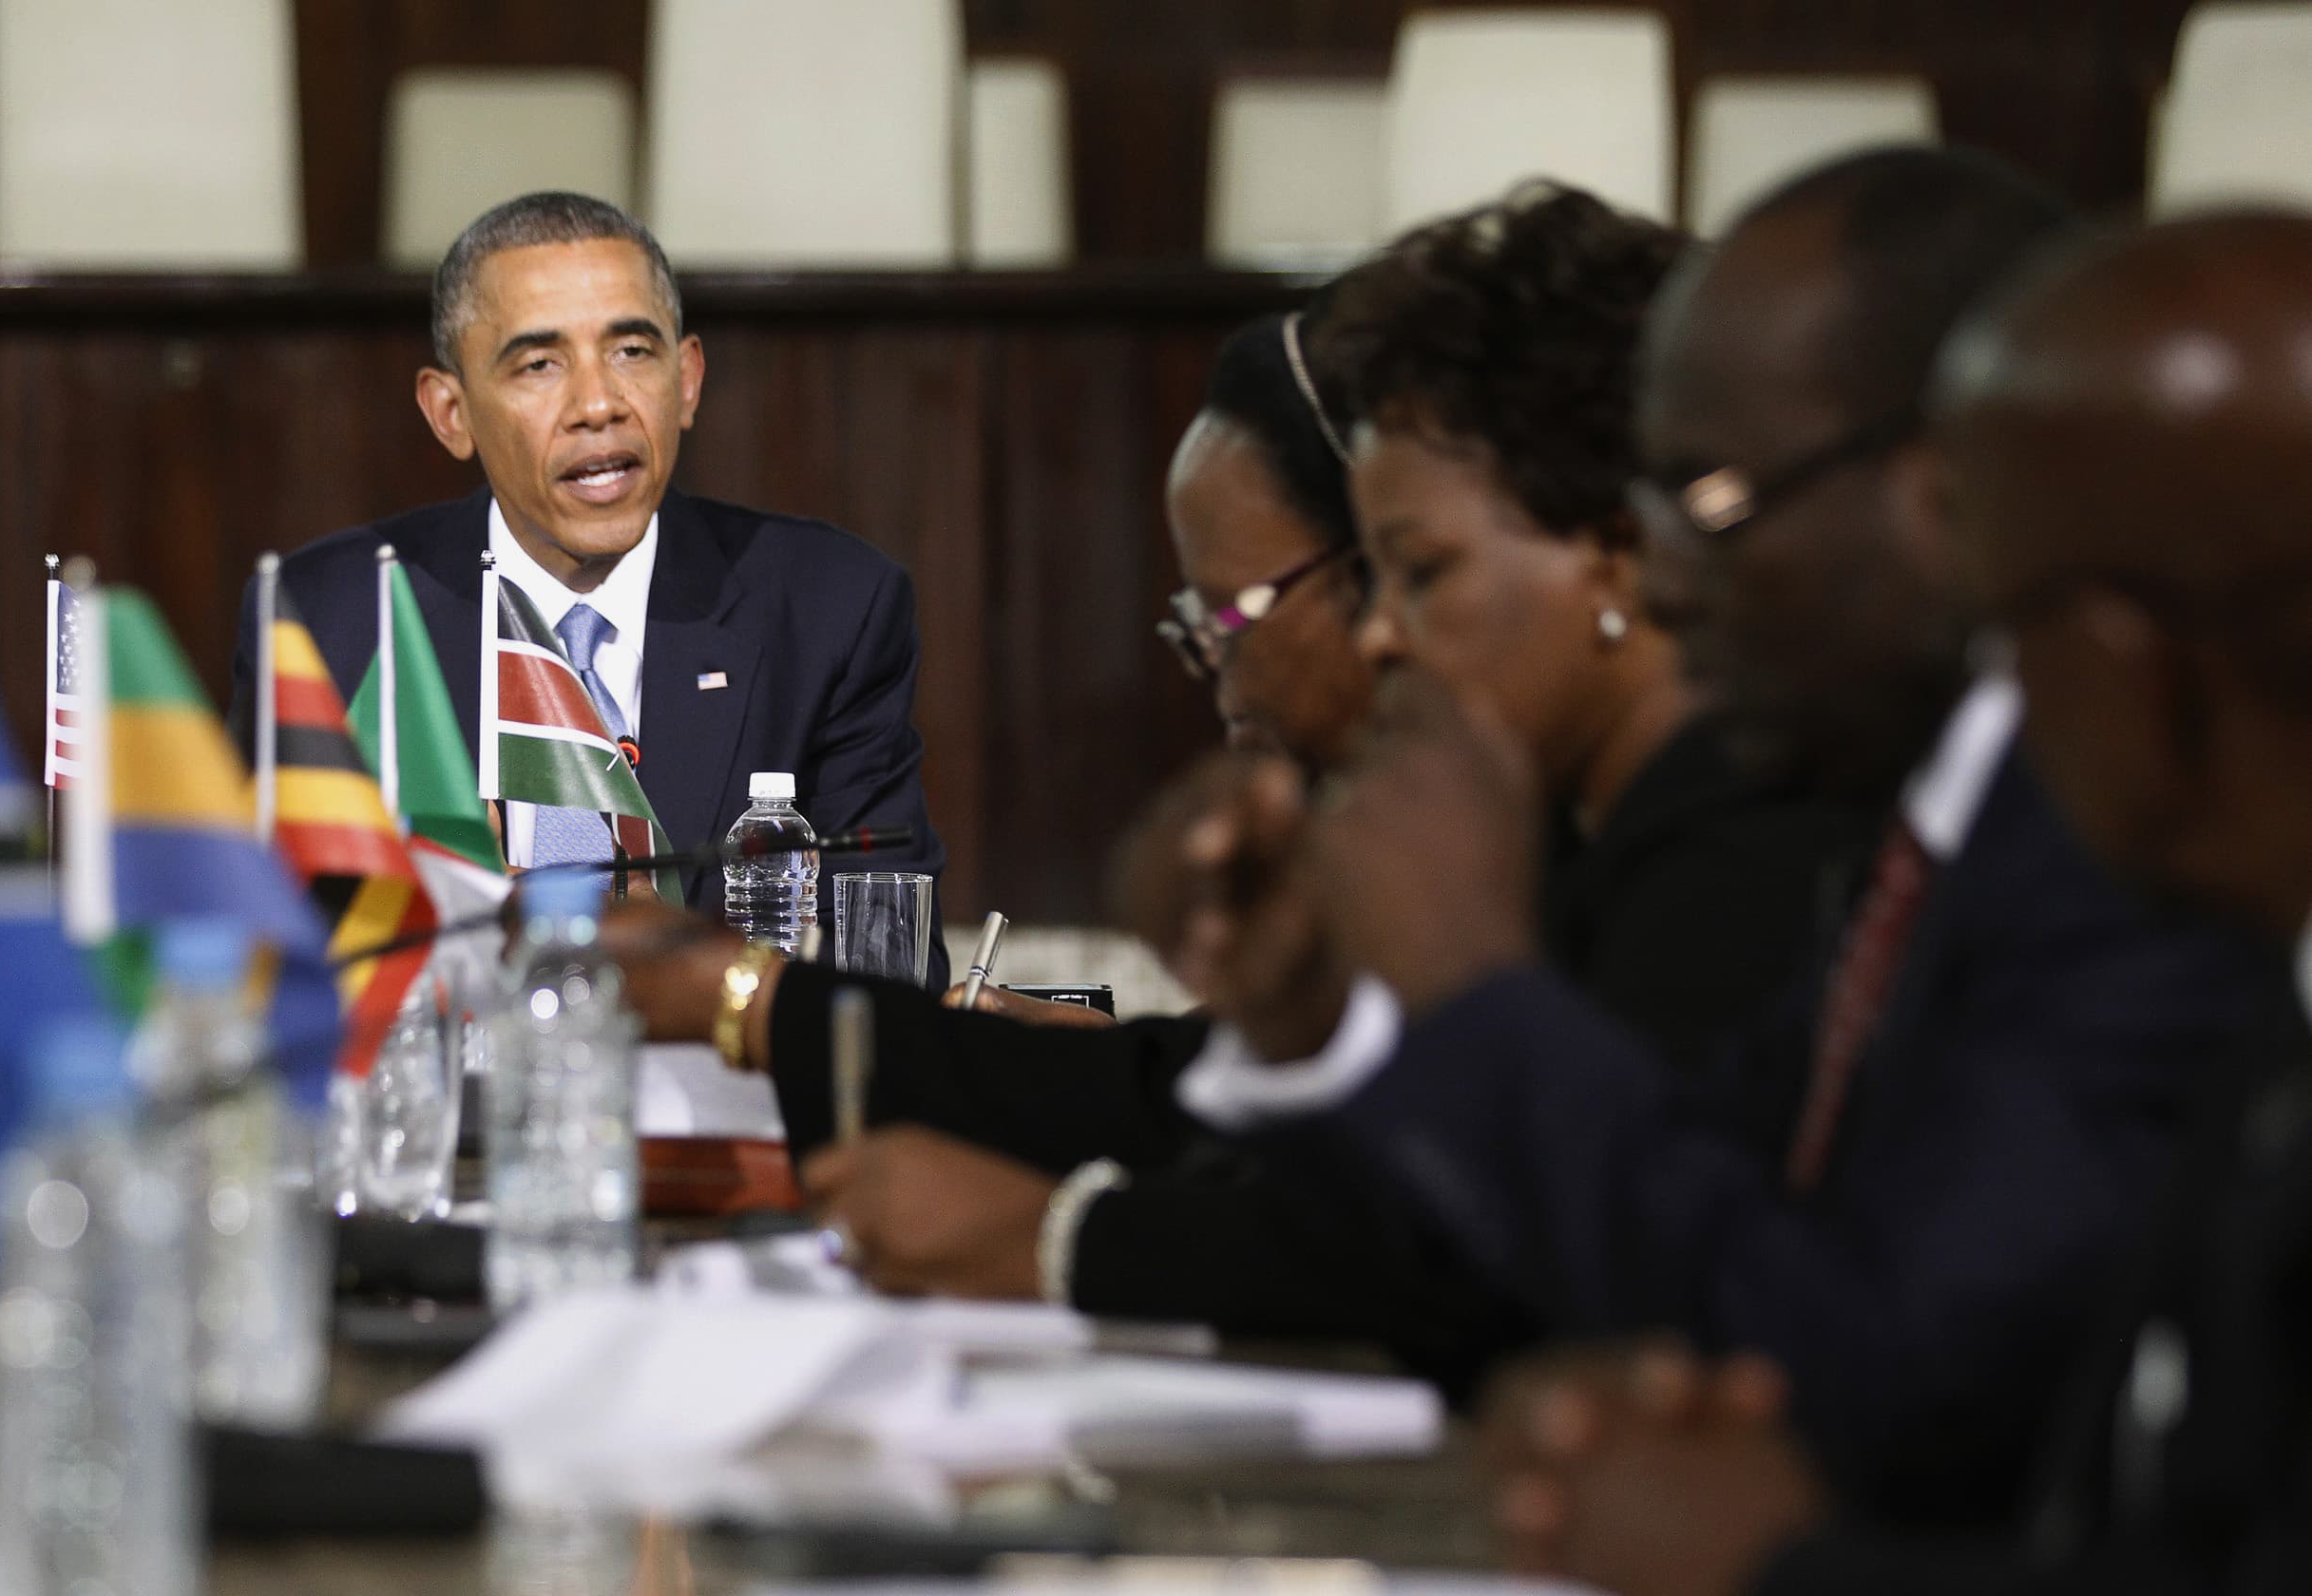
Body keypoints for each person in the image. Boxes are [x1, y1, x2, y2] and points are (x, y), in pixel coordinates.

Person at [1121, 146, 2271, 1530]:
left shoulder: (2114, 866)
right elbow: (1705, 1214)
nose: (1664, 571)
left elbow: (1881, 1383)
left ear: (1947, 502)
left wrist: (1478, 985)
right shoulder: (1938, 826)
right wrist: (1322, 1018)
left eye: (1708, 501)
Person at [622, 188, 1863, 1383]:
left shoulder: (1756, 843)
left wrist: (1060, 1241)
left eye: (1417, 571)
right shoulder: (1603, 833)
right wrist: (1294, 1025)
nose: (1386, 636)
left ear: (1619, 548)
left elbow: (1524, 1255)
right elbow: (1241, 1125)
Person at [1480, 207, 2312, 1596]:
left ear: (2130, 673)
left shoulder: (2156, 951)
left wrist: (1782, 1566)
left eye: (2016, 634)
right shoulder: (2267, 1014)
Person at [226, 191, 946, 970]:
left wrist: (660, 959)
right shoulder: (333, 619)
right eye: (539, 364)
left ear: (689, 379)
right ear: (451, 413)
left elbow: (887, 972)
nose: (598, 405)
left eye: (633, 352)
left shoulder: (830, 609)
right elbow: (252, 946)